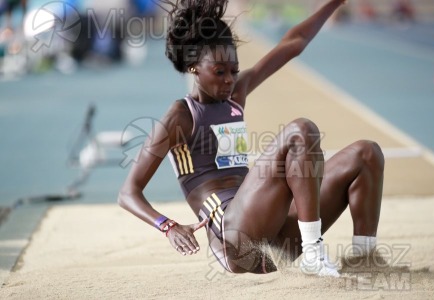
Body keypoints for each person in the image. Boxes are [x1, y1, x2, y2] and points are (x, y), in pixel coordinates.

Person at [118, 0, 384, 277]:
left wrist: (335, 3)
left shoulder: (236, 96)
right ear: (195, 67)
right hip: (235, 241)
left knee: (367, 153)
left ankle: (365, 259)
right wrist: (168, 226)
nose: (229, 80)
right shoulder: (181, 115)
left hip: (277, 241)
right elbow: (128, 192)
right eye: (219, 72)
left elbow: (294, 42)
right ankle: (314, 254)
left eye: (233, 71)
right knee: (300, 131)